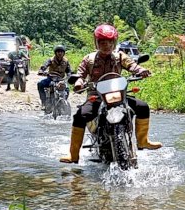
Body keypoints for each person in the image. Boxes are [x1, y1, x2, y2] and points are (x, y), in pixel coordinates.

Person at [60, 24, 162, 164]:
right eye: (102, 42)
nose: (106, 45)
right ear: (96, 42)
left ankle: (143, 141)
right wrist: (78, 82)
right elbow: (80, 74)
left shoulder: (120, 56)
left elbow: (132, 65)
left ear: (114, 42)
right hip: (97, 96)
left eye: (109, 42)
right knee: (80, 115)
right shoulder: (89, 59)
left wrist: (140, 71)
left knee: (143, 106)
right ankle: (73, 154)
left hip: (118, 94)